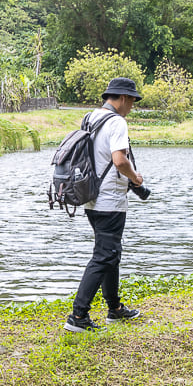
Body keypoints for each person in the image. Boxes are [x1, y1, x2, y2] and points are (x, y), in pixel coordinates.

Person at [63, 77, 145, 332]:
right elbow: (119, 160)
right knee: (104, 255)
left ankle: (115, 308)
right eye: (131, 100)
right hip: (110, 200)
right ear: (121, 98)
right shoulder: (117, 121)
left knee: (111, 253)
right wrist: (135, 178)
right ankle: (78, 316)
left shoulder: (91, 117)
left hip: (91, 197)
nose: (132, 105)